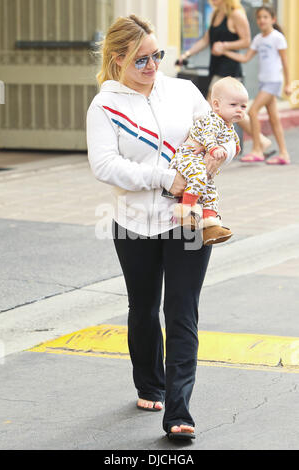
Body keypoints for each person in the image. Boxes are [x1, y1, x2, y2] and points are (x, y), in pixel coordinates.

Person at [87, 15, 237, 441]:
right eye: (142, 59)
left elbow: (219, 130)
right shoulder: (105, 105)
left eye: (158, 55)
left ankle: (178, 411)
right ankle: (149, 384)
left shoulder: (183, 91)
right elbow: (104, 165)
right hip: (133, 222)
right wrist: (162, 177)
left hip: (189, 219)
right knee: (144, 307)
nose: (153, 65)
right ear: (118, 60)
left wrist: (222, 152)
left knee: (182, 310)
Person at [177, 0, 272, 155]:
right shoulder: (216, 14)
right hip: (215, 67)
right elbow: (205, 40)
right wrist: (187, 54)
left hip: (229, 69)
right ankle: (260, 140)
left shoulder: (236, 14)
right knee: (228, 109)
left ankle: (209, 145)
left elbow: (246, 41)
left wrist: (225, 46)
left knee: (212, 105)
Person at [169, 76, 248, 245]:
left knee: (211, 191)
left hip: (198, 159)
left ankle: (210, 222)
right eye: (233, 105)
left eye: (243, 106)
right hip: (187, 156)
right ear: (216, 105)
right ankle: (186, 210)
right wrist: (213, 148)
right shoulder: (213, 120)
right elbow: (208, 136)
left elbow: (232, 138)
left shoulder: (228, 124)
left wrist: (234, 146)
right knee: (199, 178)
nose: (239, 110)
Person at [224, 6, 291, 164]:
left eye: (265, 17)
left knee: (253, 111)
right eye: (259, 17)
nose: (262, 20)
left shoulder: (277, 37)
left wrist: (288, 84)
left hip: (274, 81)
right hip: (264, 82)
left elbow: (285, 62)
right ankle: (284, 154)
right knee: (274, 119)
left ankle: (257, 150)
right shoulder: (258, 39)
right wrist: (225, 51)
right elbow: (246, 58)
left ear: (273, 19)